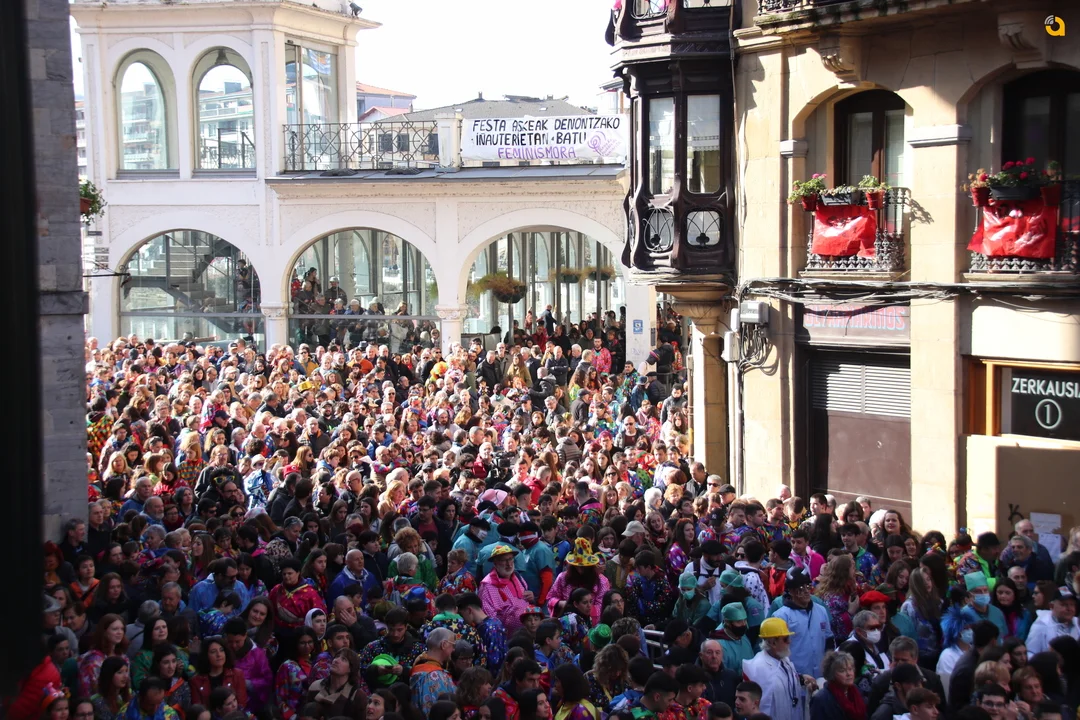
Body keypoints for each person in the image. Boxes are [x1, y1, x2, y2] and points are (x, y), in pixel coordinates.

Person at [741, 618, 814, 720]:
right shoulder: (757, 667)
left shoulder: (784, 659)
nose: (789, 641)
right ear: (773, 643)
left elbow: (784, 681)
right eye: (785, 639)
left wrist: (801, 679)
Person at [770, 568, 832, 678]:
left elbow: (829, 640)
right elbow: (776, 652)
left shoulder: (821, 610)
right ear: (791, 591)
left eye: (808, 587)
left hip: (821, 675)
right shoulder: (780, 616)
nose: (806, 591)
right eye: (801, 589)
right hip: (795, 677)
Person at [304, 648, 366, 719]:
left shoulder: (356, 695)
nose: (336, 660)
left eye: (343, 659)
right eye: (336, 657)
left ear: (350, 669)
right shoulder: (315, 687)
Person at [810, 651, 866, 720]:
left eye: (850, 669)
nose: (848, 674)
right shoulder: (820, 700)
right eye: (842, 671)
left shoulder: (858, 691)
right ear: (831, 674)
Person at [1025, 585, 1079, 655]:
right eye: (1064, 605)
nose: (1069, 609)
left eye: (1072, 604)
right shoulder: (1041, 625)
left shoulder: (1078, 623)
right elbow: (1030, 652)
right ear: (1051, 606)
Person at [697, 639, 738, 707]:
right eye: (709, 652)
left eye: (717, 652)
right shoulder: (694, 678)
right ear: (701, 655)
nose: (714, 656)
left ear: (722, 655)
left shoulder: (731, 676)